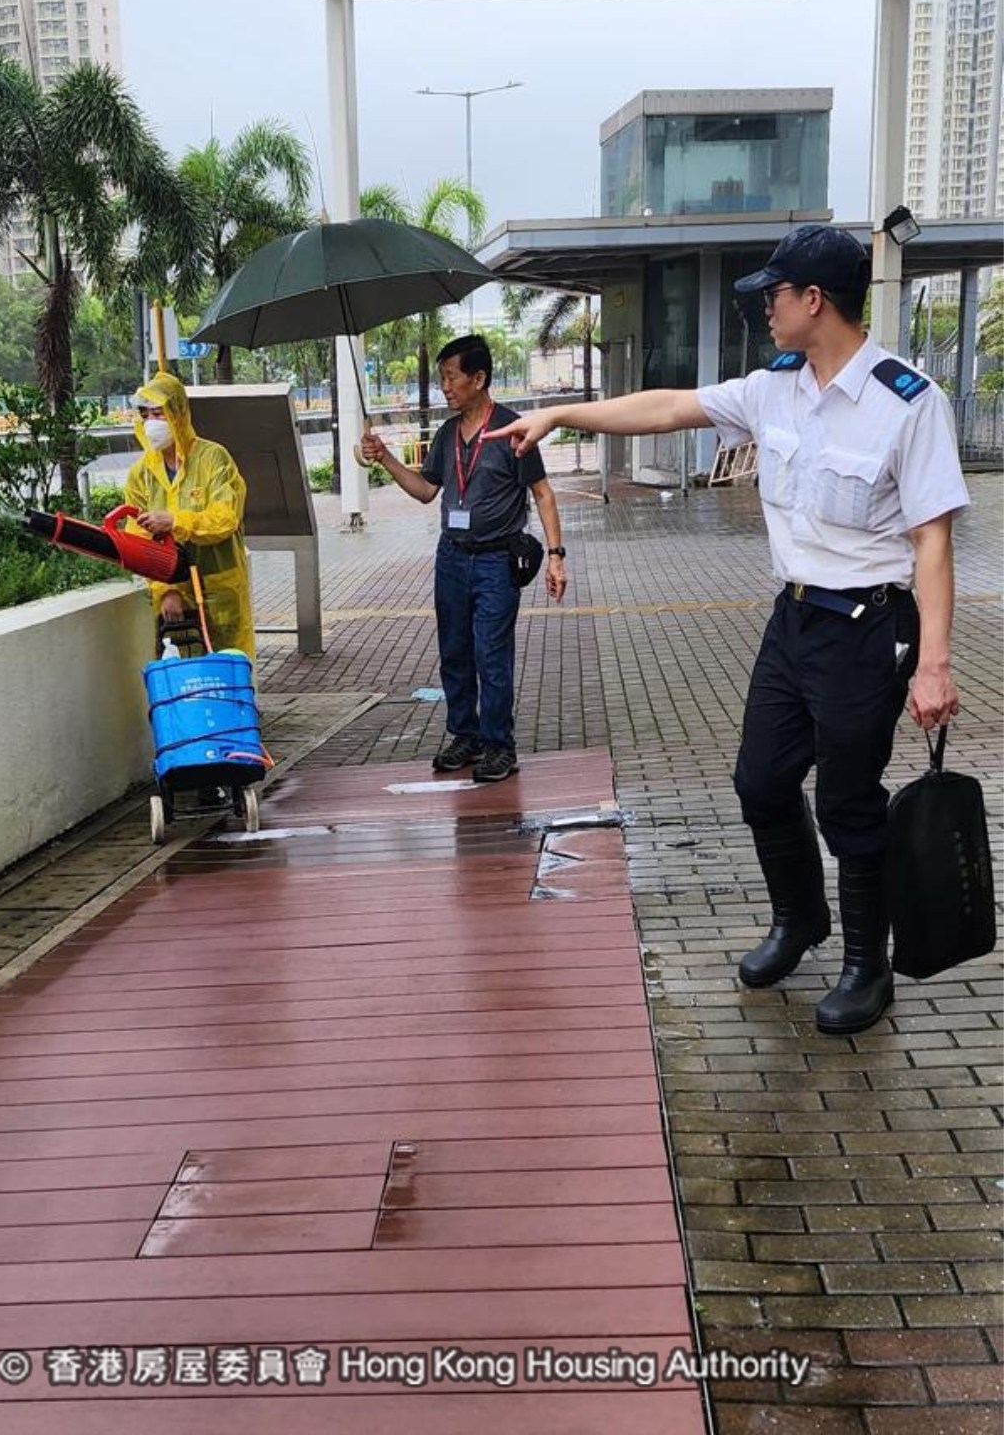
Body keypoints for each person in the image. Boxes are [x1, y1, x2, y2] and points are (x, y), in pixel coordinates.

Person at [488, 225, 967, 1034]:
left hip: (870, 625)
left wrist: (935, 664)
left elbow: (933, 540)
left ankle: (866, 966)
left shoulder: (907, 401)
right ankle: (798, 918)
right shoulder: (777, 386)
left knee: (848, 804)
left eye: (774, 296)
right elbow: (671, 406)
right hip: (794, 617)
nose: (765, 311)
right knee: (761, 781)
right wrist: (563, 414)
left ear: (815, 301)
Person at [360, 333, 568, 783]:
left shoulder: (513, 430)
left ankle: (499, 745)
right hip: (451, 559)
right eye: (442, 379)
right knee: (455, 651)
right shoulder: (447, 433)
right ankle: (465, 736)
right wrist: (387, 460)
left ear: (479, 377)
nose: (445, 387)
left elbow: (544, 495)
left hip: (497, 562)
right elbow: (425, 491)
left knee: (491, 654)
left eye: (451, 378)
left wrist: (555, 556)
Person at [124, 369, 255, 661]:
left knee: (230, 664)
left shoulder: (212, 458)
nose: (151, 424)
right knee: (185, 673)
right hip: (176, 595)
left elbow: (225, 517)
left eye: (159, 414)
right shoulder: (141, 475)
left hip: (220, 583)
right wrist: (166, 590)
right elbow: (138, 540)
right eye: (145, 415)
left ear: (178, 413)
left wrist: (175, 522)